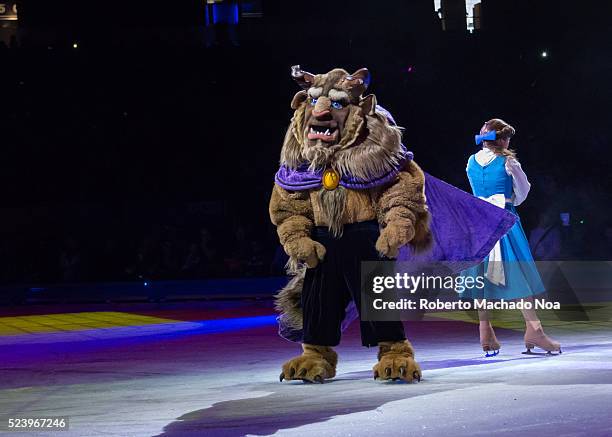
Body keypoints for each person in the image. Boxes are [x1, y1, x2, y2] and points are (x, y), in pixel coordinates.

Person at [463, 119, 561, 356]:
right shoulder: (508, 162)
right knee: (519, 276)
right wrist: (508, 200)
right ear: (503, 140)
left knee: (480, 279)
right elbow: (523, 192)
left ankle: (485, 332)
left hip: (478, 223)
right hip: (502, 221)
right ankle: (534, 329)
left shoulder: (470, 161)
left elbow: (476, 191)